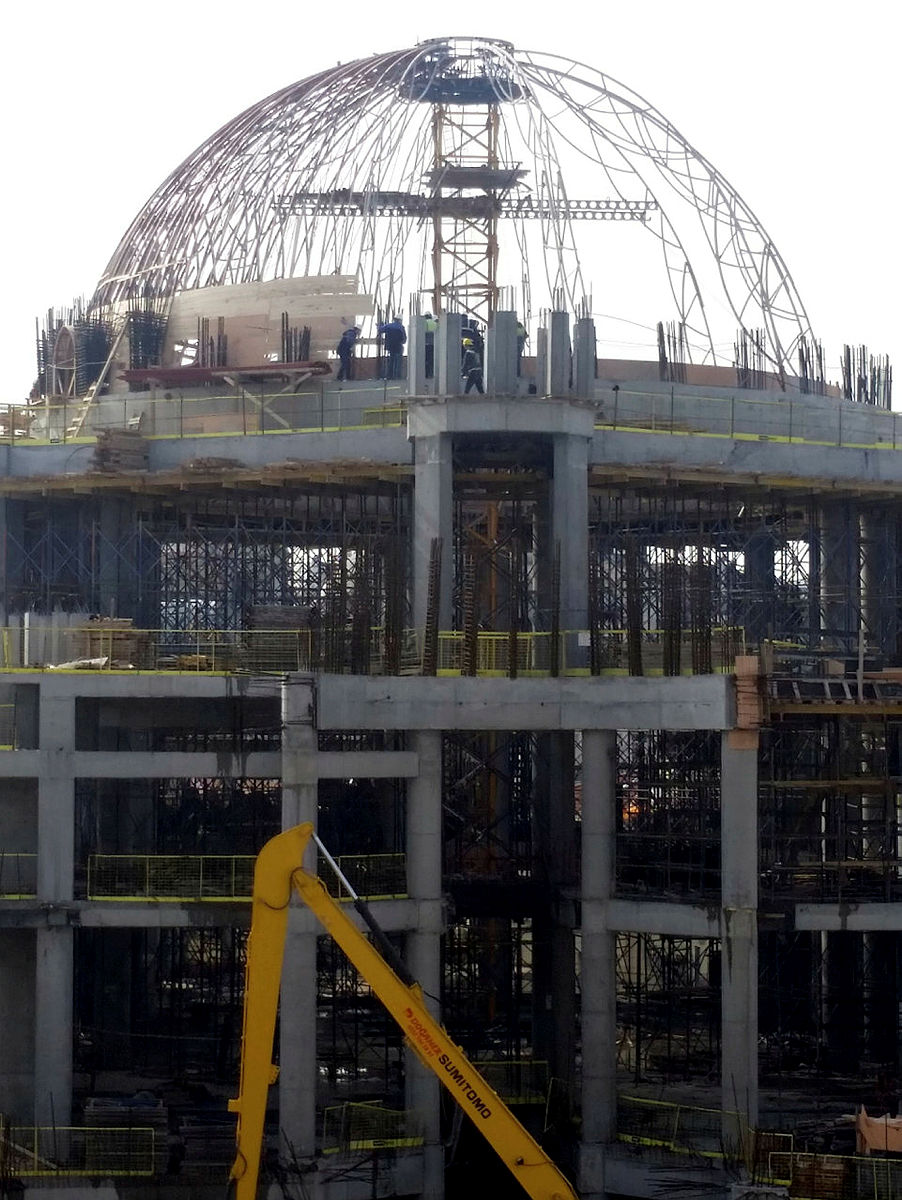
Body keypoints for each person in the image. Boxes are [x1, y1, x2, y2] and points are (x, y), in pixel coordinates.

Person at [424, 313, 437, 378]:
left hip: (425, 345)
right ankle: (431, 374)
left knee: (425, 360)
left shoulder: (423, 323)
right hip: (433, 345)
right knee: (431, 360)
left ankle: (426, 374)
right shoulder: (435, 323)